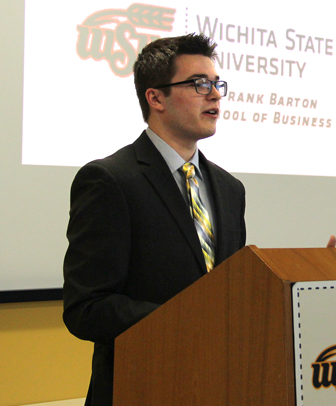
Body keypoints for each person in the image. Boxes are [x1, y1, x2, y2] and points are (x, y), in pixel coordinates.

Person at [62, 34, 246, 406]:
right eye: (199, 84)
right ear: (155, 97)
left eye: (217, 84)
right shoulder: (110, 180)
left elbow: (228, 292)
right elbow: (87, 308)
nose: (214, 95)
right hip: (140, 387)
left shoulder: (230, 188)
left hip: (218, 386)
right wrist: (186, 320)